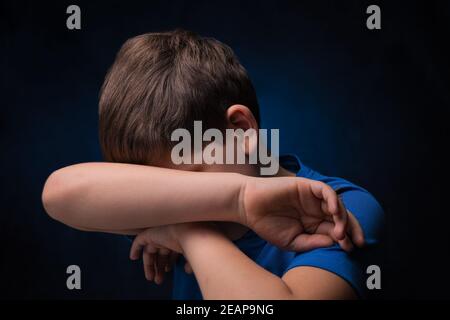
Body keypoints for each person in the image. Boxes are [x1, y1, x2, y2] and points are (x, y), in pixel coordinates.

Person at [42, 30, 384, 299]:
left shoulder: (340, 209)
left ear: (240, 131)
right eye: (165, 193)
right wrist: (238, 198)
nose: (179, 207)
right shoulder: (171, 214)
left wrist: (189, 233)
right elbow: (59, 193)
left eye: (191, 182)